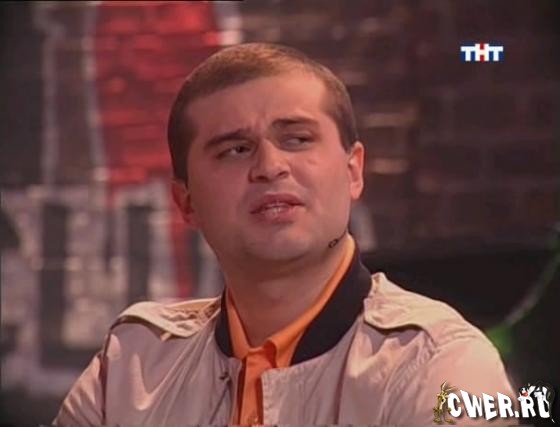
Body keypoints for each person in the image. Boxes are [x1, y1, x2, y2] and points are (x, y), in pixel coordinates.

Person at [54, 43, 516, 426]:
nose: (270, 166)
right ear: (186, 202)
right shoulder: (130, 369)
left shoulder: (440, 367)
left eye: (297, 139)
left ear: (353, 172)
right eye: (235, 149)